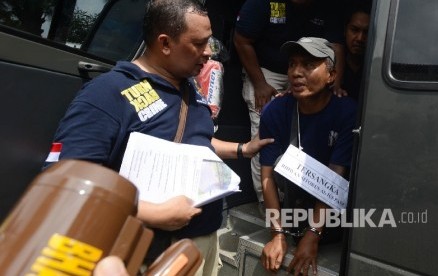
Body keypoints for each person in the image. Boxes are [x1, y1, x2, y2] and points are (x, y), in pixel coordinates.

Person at [44, 0, 273, 275]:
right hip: (151, 252)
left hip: (203, 243)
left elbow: (196, 142)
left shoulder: (191, 89)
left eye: (209, 41)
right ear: (165, 43)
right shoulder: (106, 94)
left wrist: (242, 149)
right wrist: (151, 212)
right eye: (199, 44)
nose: (209, 52)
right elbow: (63, 182)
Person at [258, 37, 356, 275]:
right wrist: (277, 234)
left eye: (309, 65)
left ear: (331, 76)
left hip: (332, 215)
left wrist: (314, 234)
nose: (296, 73)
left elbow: (335, 176)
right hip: (292, 209)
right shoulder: (275, 110)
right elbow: (267, 176)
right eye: (292, 64)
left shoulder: (346, 112)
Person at [233, 0, 346, 205]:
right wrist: (260, 83)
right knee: (264, 139)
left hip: (312, 69)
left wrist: (334, 85)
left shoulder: (347, 111)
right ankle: (266, 206)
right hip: (265, 71)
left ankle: (299, 206)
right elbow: (242, 40)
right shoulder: (261, 4)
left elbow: (336, 46)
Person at [339, 2, 371, 100]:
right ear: (345, 31)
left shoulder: (375, 69)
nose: (360, 38)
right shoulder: (332, 67)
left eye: (367, 32)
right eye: (354, 30)